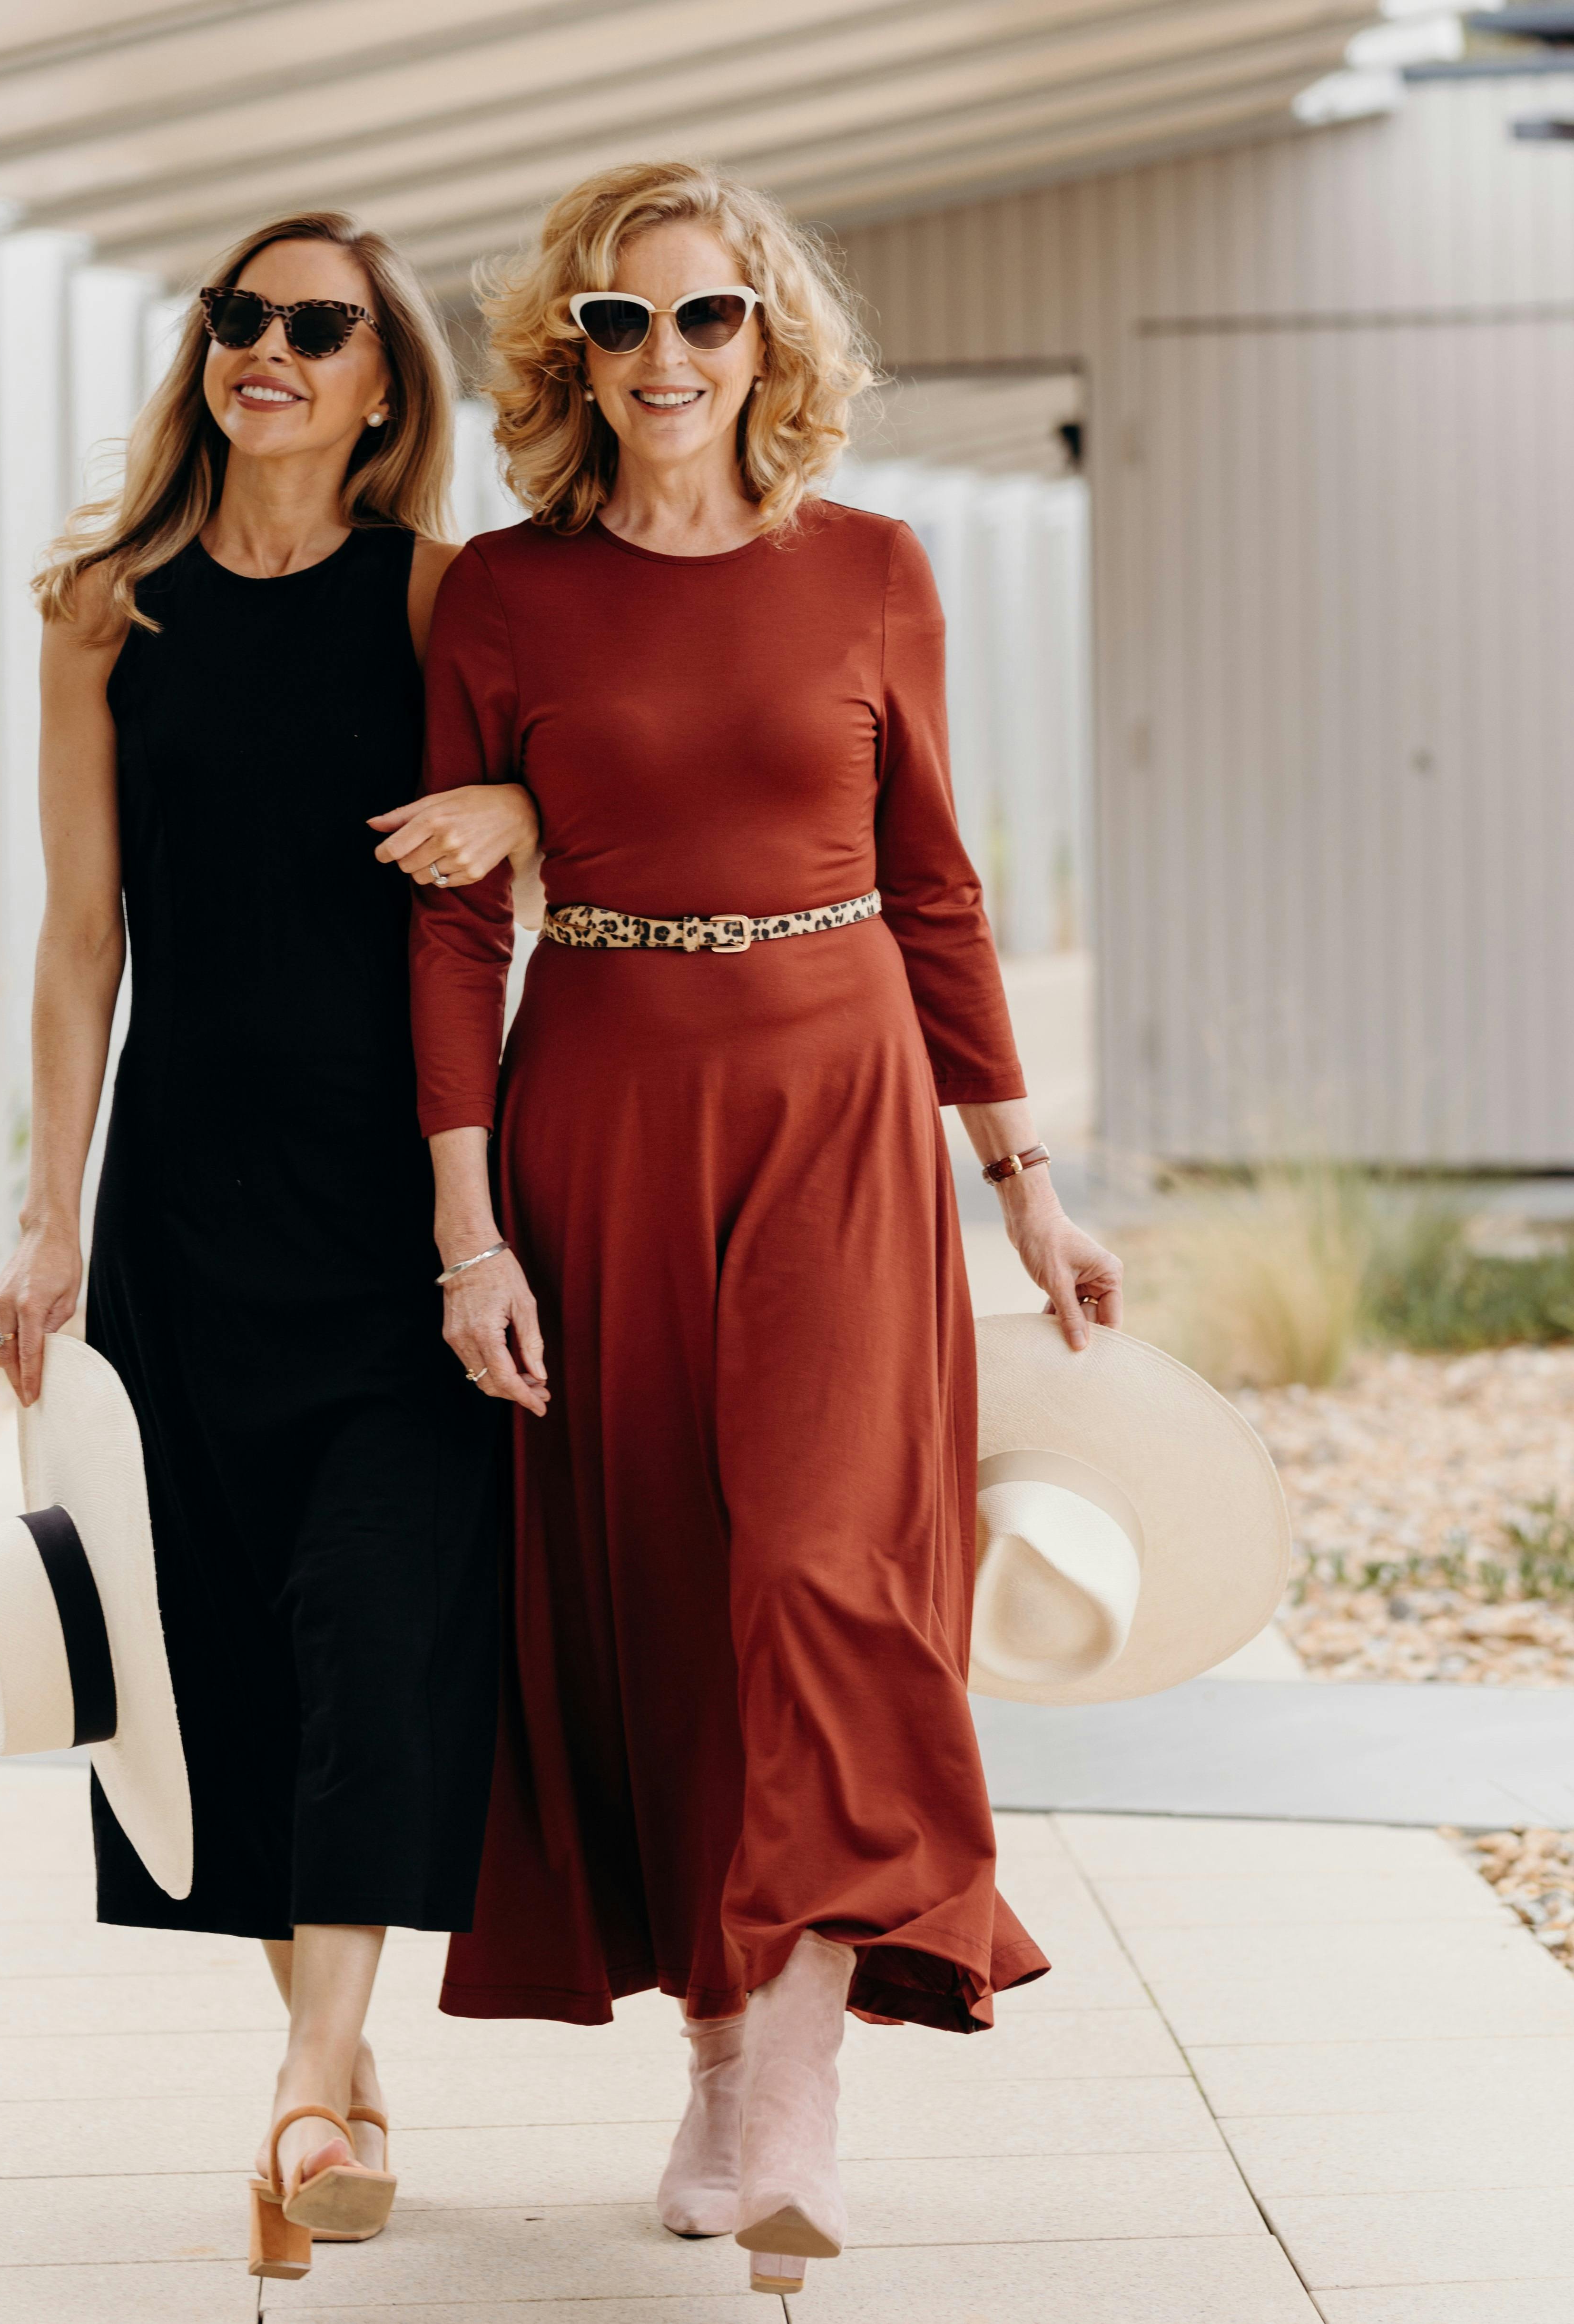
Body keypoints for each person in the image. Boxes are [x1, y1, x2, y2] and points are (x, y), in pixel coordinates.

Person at [408, 161, 1124, 2297]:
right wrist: (469, 1238)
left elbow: (938, 888)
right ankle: (718, 2057)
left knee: (823, 1575)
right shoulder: (497, 599)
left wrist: (1022, 1178)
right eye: (618, 328)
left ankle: (801, 2070)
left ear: (767, 341)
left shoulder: (877, 570)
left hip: (838, 1108)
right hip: (601, 1108)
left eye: (704, 319)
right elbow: (452, 936)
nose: (663, 361)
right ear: (569, 354)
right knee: (654, 1598)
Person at [0, 209, 539, 2278]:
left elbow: (595, 804)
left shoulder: (440, 597)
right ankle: (335, 2063)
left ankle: (310, 2090)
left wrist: (529, 825)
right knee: (214, 1644)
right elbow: (78, 934)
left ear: (385, 380)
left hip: (411, 1197)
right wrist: (49, 1214)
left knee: (377, 1622)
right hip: (189, 1207)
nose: (268, 348)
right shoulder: (106, 610)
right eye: (241, 317)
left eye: (318, 325)